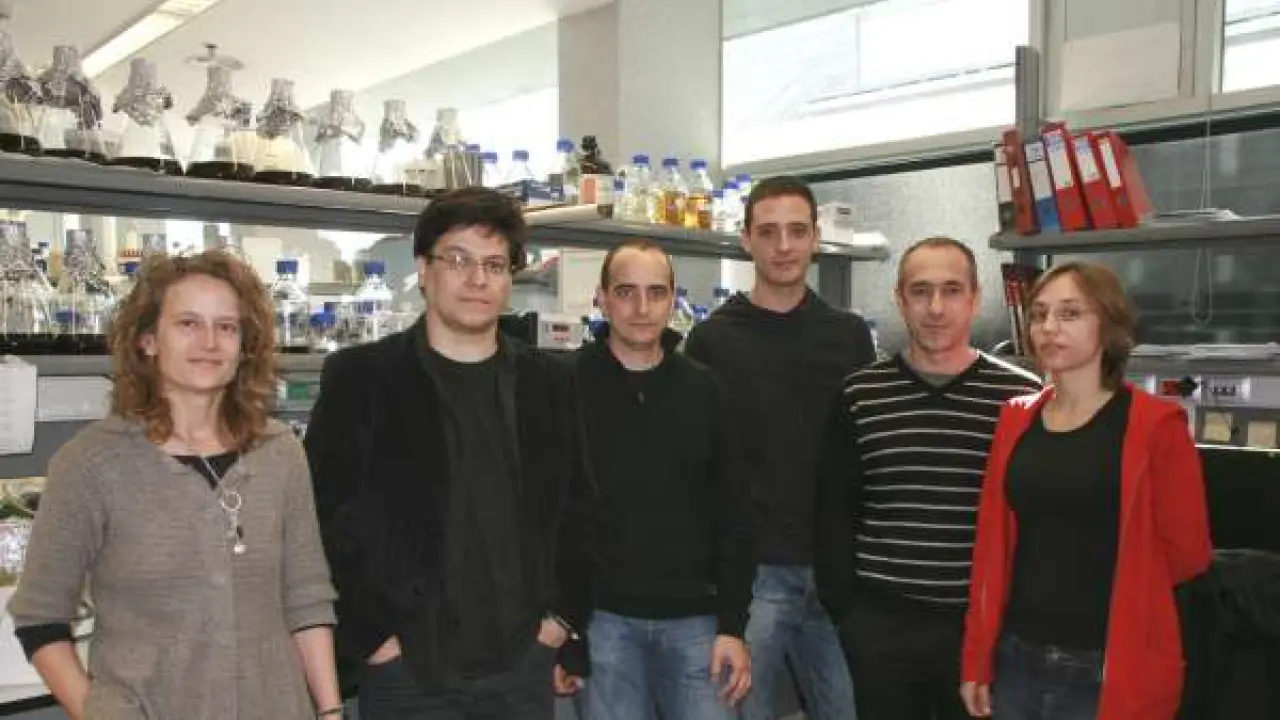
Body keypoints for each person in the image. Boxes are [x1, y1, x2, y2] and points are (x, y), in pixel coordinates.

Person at [8, 251, 341, 720]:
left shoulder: (279, 452)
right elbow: (39, 619)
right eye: (188, 323)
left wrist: (329, 712)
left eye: (227, 327)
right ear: (147, 340)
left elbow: (307, 600)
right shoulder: (91, 464)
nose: (210, 342)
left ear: (245, 346)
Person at [305, 187, 595, 720]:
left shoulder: (550, 382)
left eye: (494, 264)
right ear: (424, 269)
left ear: (510, 278)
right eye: (458, 260)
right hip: (408, 671)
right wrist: (375, 637)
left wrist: (559, 623)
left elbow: (581, 510)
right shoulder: (363, 378)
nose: (477, 278)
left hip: (522, 665)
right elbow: (323, 518)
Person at [960, 261, 1212, 720]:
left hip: (1105, 666)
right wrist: (977, 657)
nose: (1049, 327)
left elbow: (1187, 553)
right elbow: (991, 548)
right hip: (1017, 657)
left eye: (1070, 313)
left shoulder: (1156, 425)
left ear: (1109, 325)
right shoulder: (1015, 419)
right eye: (1039, 314)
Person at [815, 237, 1041, 720]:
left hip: (982, 628)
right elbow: (835, 510)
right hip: (882, 626)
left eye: (951, 290)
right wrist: (849, 613)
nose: (935, 308)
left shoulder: (1021, 398)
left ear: (975, 299)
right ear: (900, 299)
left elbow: (1035, 521)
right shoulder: (860, 394)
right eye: (920, 291)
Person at [685, 175, 874, 720]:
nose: (784, 246)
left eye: (797, 231)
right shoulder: (713, 339)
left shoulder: (848, 335)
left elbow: (862, 453)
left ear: (815, 237)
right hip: (753, 578)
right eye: (768, 232)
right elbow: (697, 465)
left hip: (833, 573)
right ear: (746, 239)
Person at [567, 239, 753, 719]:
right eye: (625, 291)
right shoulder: (564, 386)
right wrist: (563, 627)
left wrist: (733, 626)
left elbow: (735, 513)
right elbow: (546, 516)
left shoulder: (705, 390)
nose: (641, 307)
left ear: (673, 300)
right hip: (602, 622)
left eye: (656, 292)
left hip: (697, 623)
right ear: (601, 299)